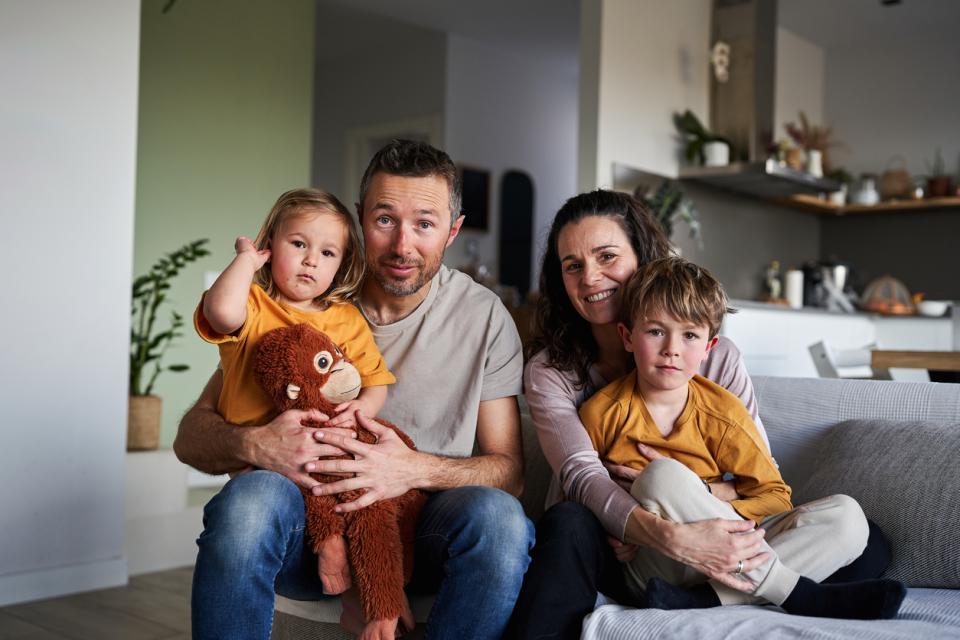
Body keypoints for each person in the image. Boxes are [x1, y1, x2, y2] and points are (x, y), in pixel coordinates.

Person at [175, 140, 532, 640]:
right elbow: (191, 436)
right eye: (386, 219)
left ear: (452, 230)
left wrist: (409, 469)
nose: (402, 244)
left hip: (419, 528)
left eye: (425, 224)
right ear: (362, 218)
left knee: (502, 521)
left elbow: (510, 472)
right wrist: (254, 444)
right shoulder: (304, 299)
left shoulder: (483, 317)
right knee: (250, 501)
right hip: (303, 525)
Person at [505, 190, 891, 639]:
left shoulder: (716, 360)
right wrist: (664, 529)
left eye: (607, 256)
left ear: (641, 258)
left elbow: (758, 473)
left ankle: (710, 599)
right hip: (624, 543)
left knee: (866, 538)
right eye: (572, 265)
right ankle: (788, 590)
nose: (590, 277)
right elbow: (581, 479)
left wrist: (701, 494)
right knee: (576, 520)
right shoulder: (557, 374)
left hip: (711, 521)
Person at [579, 255, 905, 619]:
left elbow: (775, 497)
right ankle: (793, 591)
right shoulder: (602, 413)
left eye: (689, 335)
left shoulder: (723, 412)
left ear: (708, 347)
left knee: (848, 517)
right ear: (627, 336)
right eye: (655, 331)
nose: (671, 348)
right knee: (661, 475)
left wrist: (712, 508)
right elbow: (572, 502)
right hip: (658, 560)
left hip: (725, 560)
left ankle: (705, 599)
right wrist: (615, 530)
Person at [195, 188, 399, 637]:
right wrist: (246, 263)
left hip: (328, 453)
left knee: (360, 500)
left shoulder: (346, 318)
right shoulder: (253, 304)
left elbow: (376, 381)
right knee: (259, 502)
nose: (311, 261)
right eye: (298, 244)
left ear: (341, 265)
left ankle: (359, 595)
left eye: (327, 252)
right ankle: (331, 557)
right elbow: (220, 312)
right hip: (266, 466)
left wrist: (359, 411)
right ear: (271, 244)